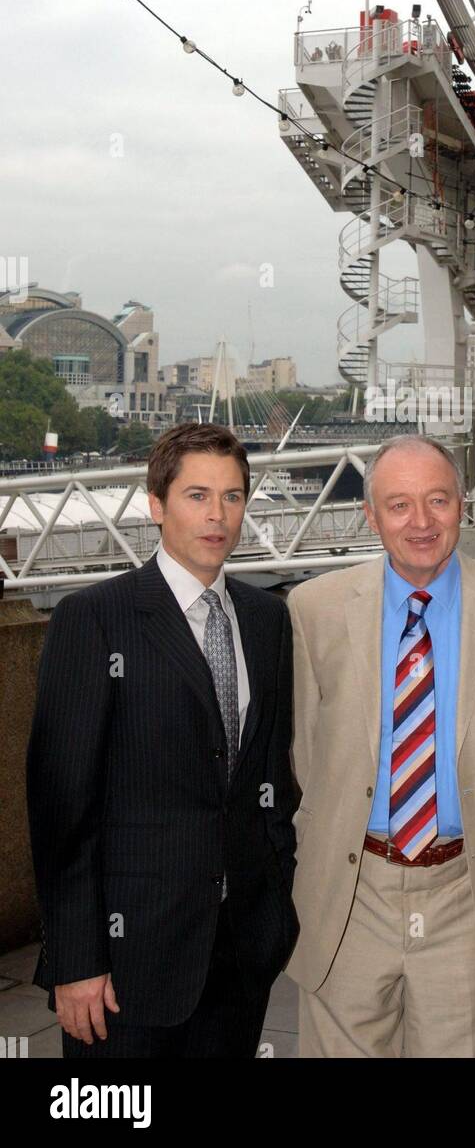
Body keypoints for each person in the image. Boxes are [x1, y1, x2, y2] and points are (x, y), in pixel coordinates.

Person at [27, 423, 299, 1058]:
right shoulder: (94, 620)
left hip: (239, 957)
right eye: (197, 495)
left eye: (232, 497)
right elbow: (61, 811)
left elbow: (268, 781)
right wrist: (75, 960)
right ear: (156, 504)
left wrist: (273, 900)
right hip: (124, 971)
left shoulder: (267, 621)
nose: (217, 516)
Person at [286, 434, 475, 1057]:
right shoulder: (314, 608)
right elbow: (308, 752)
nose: (421, 522)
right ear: (371, 515)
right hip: (349, 893)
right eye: (399, 504)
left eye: (437, 500)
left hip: (466, 892)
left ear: (462, 504)